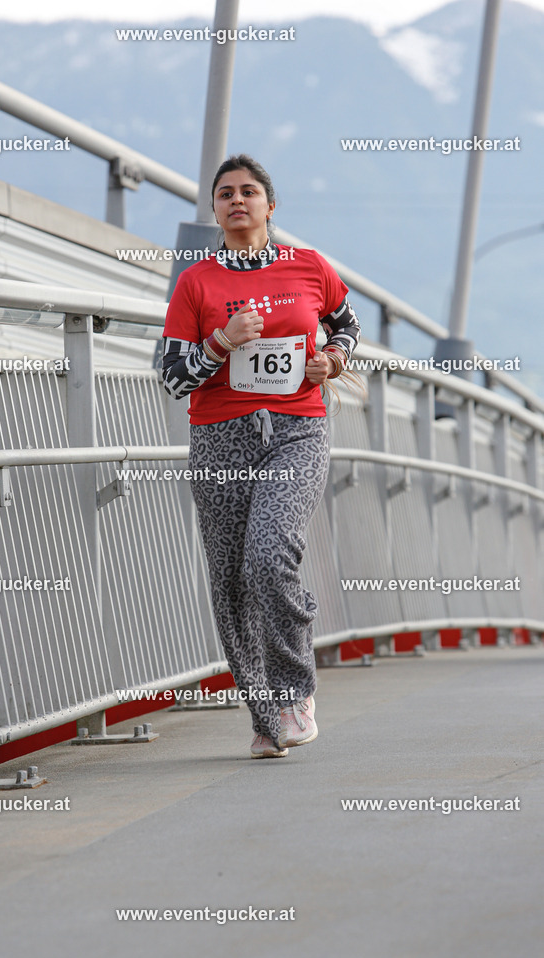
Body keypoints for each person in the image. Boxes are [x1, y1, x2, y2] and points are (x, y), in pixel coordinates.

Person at [161, 154, 360, 758]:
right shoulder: (196, 282)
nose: (237, 201)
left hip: (298, 429)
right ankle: (266, 717)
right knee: (230, 580)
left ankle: (297, 691)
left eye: (250, 192)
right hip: (221, 438)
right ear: (215, 210)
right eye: (225, 194)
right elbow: (173, 379)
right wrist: (221, 342)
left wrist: (336, 358)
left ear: (271, 206)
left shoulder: (308, 266)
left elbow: (346, 323)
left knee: (269, 557)